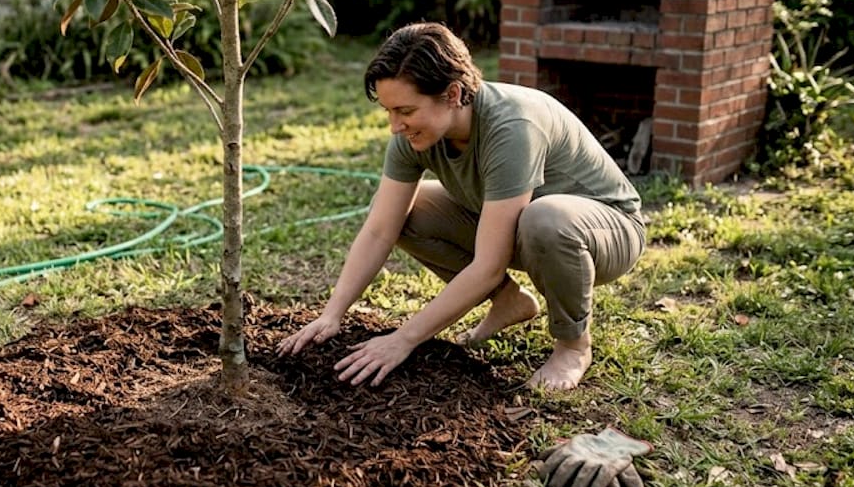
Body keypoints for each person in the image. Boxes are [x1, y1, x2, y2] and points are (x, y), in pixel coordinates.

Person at [276, 22, 645, 391]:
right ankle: (507, 301)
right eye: (389, 111)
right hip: (520, 226)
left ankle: (573, 345)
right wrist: (332, 315)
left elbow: (487, 264)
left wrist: (403, 339)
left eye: (405, 110)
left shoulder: (512, 127)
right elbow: (379, 229)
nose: (394, 125)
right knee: (402, 209)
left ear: (452, 94)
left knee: (544, 219)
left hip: (606, 229)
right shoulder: (416, 133)